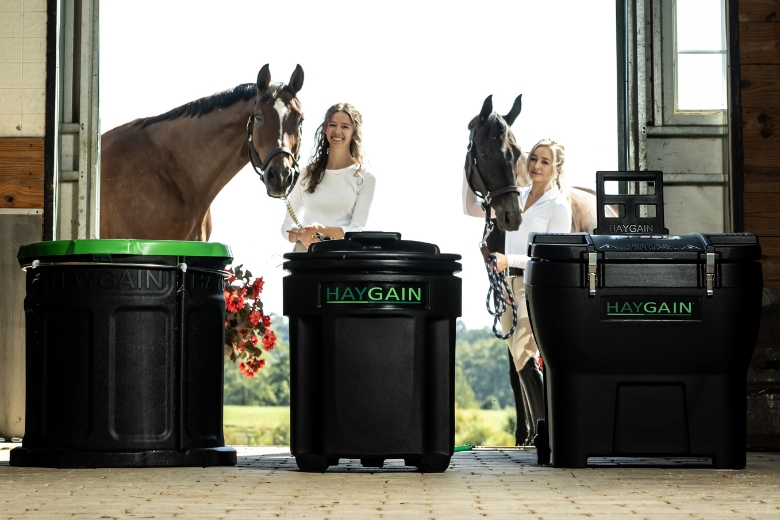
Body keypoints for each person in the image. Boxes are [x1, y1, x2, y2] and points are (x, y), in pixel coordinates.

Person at [463, 138, 572, 445]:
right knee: (519, 357)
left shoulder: (557, 207)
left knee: (525, 353)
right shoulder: (516, 197)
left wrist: (508, 259)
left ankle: (546, 432)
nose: (536, 166)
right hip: (508, 285)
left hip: (534, 285)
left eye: (545, 161)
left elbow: (550, 254)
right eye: (534, 158)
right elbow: (470, 207)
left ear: (557, 169)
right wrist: (470, 163)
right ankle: (545, 431)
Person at [281, 102, 376, 250]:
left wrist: (322, 229)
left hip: (343, 258)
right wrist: (301, 236)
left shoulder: (365, 178)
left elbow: (357, 229)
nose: (337, 131)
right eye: (332, 125)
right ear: (325, 129)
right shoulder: (306, 173)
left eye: (345, 126)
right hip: (305, 256)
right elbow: (287, 226)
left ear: (354, 132)